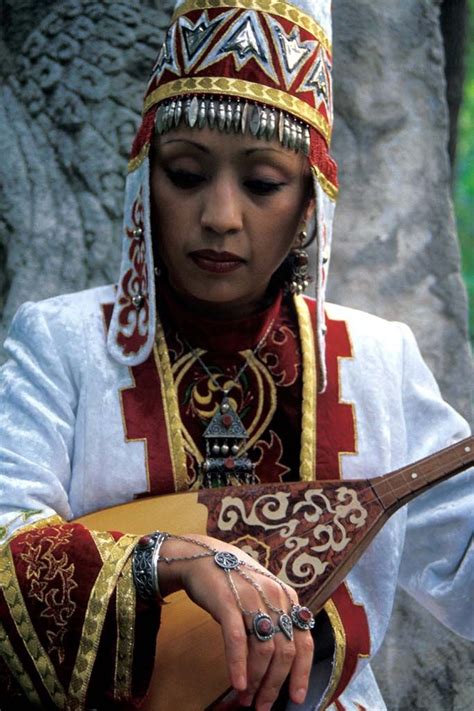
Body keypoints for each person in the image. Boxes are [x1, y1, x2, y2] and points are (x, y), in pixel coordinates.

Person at [0, 0, 472, 709]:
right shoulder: (65, 346)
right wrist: (167, 560)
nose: (220, 216)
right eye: (187, 174)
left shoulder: (375, 361)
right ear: (143, 183)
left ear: (311, 202)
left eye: (261, 183)